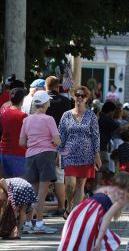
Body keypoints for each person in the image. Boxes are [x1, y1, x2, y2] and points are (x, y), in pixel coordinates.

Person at [58, 172, 129, 251]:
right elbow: (107, 217)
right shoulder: (121, 198)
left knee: (77, 241)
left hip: (77, 215)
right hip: (89, 219)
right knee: (99, 242)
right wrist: (99, 239)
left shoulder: (106, 190)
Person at [19, 90, 61, 234]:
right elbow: (57, 140)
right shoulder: (49, 119)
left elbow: (22, 142)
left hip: (30, 156)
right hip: (46, 155)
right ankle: (39, 224)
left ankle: (28, 223)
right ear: (46, 103)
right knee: (42, 193)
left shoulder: (26, 119)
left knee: (32, 192)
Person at [58, 86, 102, 219]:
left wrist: (97, 156)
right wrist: (58, 153)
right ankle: (69, 205)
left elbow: (95, 136)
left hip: (86, 155)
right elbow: (61, 135)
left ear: (87, 99)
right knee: (70, 184)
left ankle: (74, 215)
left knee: (80, 186)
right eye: (77, 95)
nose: (79, 98)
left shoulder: (91, 116)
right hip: (69, 154)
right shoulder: (66, 115)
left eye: (82, 96)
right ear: (73, 97)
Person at [45, 76, 72, 216]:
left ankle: (36, 209)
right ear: (57, 87)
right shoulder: (67, 101)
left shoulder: (42, 101)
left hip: (44, 143)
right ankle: (62, 207)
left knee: (42, 177)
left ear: (46, 87)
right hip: (62, 142)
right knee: (60, 177)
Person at [0, 88, 27, 178]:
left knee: (5, 186)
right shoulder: (23, 116)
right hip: (19, 153)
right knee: (19, 186)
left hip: (4, 152)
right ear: (22, 100)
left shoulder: (4, 113)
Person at [98, 101, 119, 184]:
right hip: (102, 148)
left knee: (97, 169)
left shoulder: (97, 116)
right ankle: (98, 188)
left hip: (92, 147)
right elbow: (118, 127)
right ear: (110, 111)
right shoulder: (106, 119)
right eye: (113, 112)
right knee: (102, 169)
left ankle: (93, 190)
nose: (113, 114)